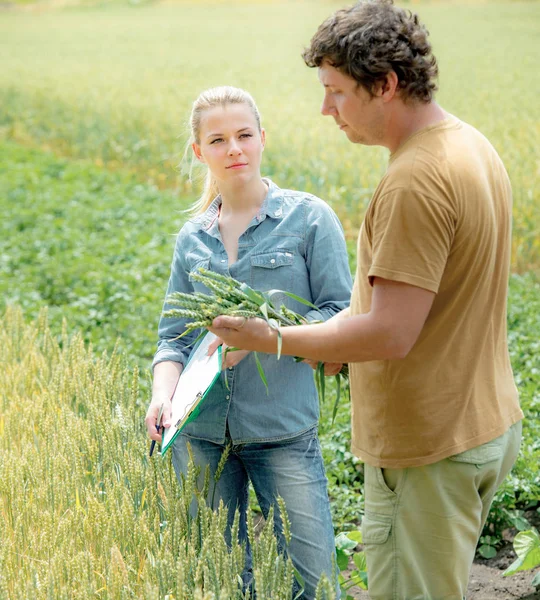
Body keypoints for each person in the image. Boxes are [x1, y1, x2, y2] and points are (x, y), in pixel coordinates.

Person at [208, 3, 524, 599]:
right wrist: (331, 340)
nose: (325, 109)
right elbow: (427, 304)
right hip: (480, 421)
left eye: (336, 92)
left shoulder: (413, 181)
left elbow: (389, 334)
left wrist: (269, 336)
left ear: (385, 85)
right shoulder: (470, 145)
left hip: (429, 442)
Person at [145, 86, 352, 599]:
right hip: (200, 434)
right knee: (219, 584)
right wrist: (160, 394)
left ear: (262, 139)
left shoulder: (308, 220)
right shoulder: (192, 237)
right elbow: (174, 338)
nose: (233, 148)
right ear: (200, 152)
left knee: (316, 583)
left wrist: (262, 340)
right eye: (218, 140)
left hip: (281, 432)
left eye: (243, 135)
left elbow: (339, 318)